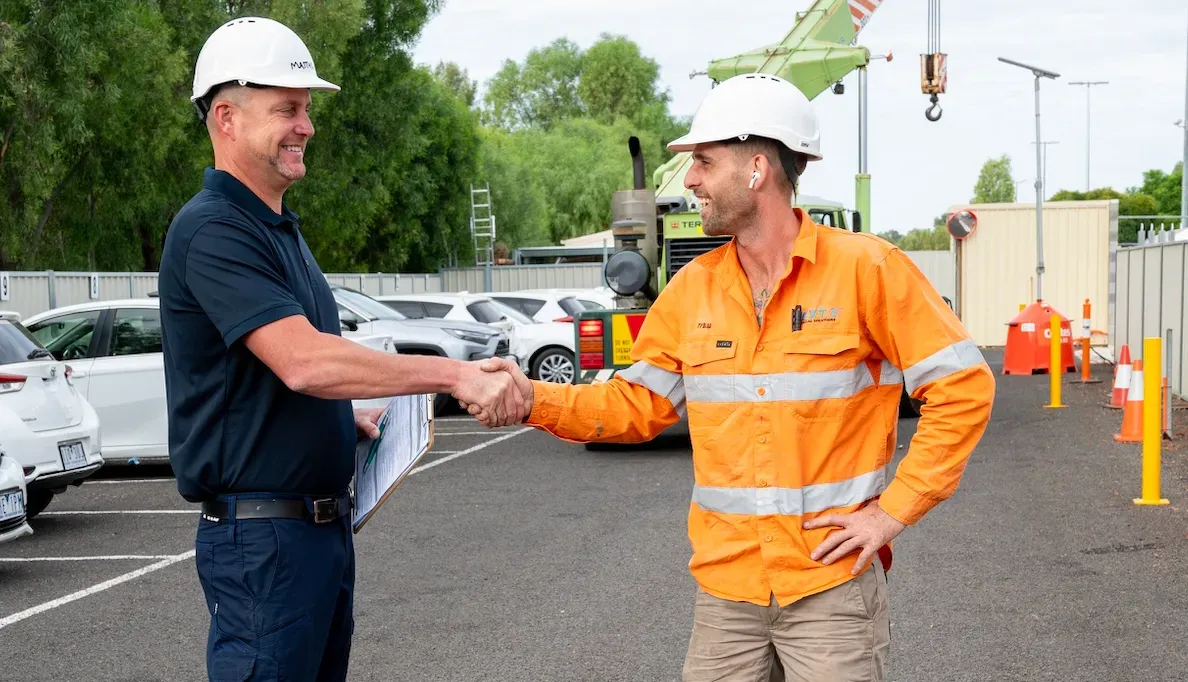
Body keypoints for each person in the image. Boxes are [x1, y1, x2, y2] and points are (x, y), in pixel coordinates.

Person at [465, 73, 995, 681]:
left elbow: (963, 386)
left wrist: (893, 512)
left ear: (757, 169)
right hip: (727, 594)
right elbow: (634, 406)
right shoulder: (693, 288)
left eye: (704, 161)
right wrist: (531, 396)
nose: (690, 180)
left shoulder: (868, 270)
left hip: (828, 586)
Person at [158, 16, 527, 681]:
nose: (308, 126)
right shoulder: (214, 230)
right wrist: (454, 376)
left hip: (310, 537)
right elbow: (303, 361)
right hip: (264, 543)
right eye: (288, 109)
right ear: (226, 119)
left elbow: (281, 371)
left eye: (306, 110)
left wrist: (338, 416)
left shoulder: (274, 229)